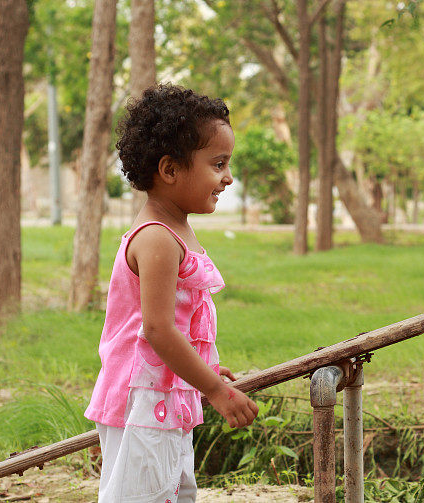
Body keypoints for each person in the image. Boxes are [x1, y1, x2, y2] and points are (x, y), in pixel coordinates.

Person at [84, 83, 258, 502]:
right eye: (218, 165)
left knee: (173, 492)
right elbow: (158, 330)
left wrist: (203, 372)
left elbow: (178, 325)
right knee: (142, 495)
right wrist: (215, 391)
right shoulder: (158, 238)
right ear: (170, 170)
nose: (228, 178)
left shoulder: (177, 227)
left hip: (162, 395)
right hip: (143, 398)